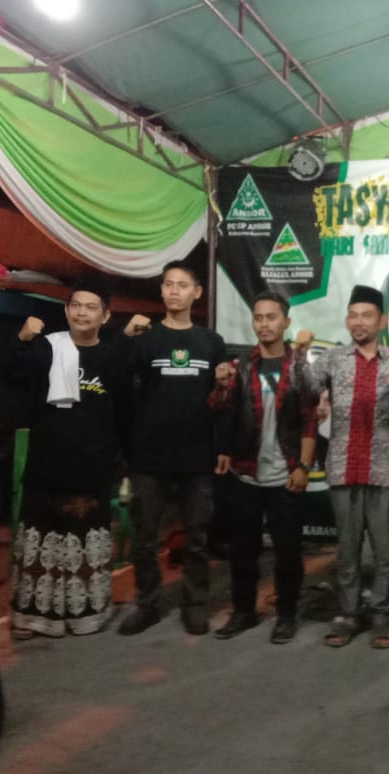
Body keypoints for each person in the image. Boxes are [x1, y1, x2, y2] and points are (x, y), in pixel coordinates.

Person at [292, 285, 389, 649]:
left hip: (386, 468)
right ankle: (348, 613)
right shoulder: (333, 359)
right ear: (347, 320)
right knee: (347, 551)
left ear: (382, 321)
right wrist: (299, 355)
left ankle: (382, 615)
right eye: (353, 315)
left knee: (385, 552)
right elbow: (305, 388)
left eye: (367, 315)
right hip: (344, 466)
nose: (359, 322)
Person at [6, 279, 131, 639]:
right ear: (66, 310)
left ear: (105, 316)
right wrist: (21, 339)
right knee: (40, 542)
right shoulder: (47, 347)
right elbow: (12, 376)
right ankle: (34, 618)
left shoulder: (113, 358)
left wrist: (120, 463)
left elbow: (126, 413)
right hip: (45, 465)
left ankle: (84, 616)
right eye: (76, 305)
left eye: (91, 307)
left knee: (83, 542)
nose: (81, 312)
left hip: (91, 468)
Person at [116, 260, 228, 637]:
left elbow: (222, 401)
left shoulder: (211, 342)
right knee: (145, 540)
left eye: (182, 284)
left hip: (197, 456)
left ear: (197, 292)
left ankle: (194, 606)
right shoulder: (145, 337)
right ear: (161, 290)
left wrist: (224, 387)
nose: (174, 290)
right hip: (149, 456)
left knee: (197, 540)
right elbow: (117, 379)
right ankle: (147, 605)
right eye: (168, 284)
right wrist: (124, 337)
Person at [210, 291, 318, 644]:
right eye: (258, 317)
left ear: (286, 322)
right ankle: (243, 612)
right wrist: (220, 386)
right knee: (243, 552)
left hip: (286, 474)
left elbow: (309, 419)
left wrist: (303, 465)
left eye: (271, 317)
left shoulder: (299, 367)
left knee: (288, 554)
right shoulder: (240, 367)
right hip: (246, 473)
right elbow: (220, 408)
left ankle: (286, 615)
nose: (264, 324)